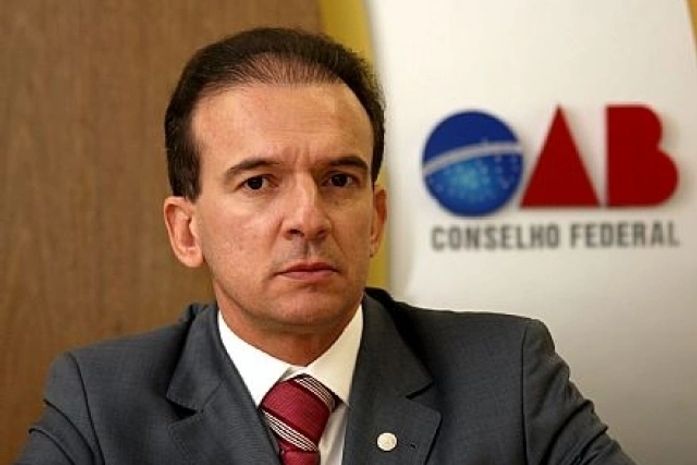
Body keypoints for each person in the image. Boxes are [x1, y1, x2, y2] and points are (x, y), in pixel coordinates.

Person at [16, 27, 636, 465]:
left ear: (375, 219)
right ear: (186, 230)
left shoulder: (506, 374)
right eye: (258, 183)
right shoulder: (100, 403)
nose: (308, 219)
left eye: (338, 180)